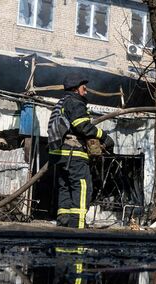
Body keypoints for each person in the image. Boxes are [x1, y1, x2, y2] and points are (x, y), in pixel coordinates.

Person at [47, 73, 114, 229]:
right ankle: (77, 224)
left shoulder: (62, 102)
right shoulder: (75, 102)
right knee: (82, 186)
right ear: (76, 89)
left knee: (65, 187)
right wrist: (104, 136)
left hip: (60, 155)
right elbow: (82, 126)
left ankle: (64, 222)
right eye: (84, 88)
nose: (86, 91)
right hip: (73, 153)